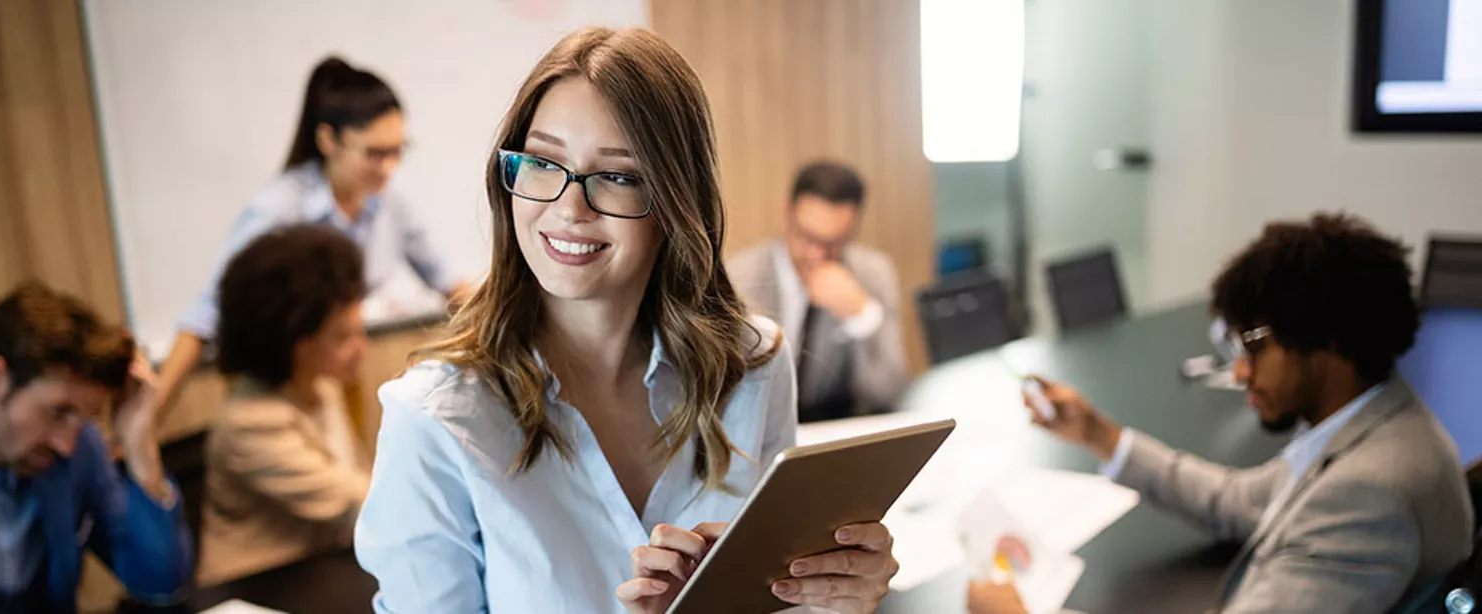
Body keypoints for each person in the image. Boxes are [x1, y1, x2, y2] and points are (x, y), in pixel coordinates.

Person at [354, 27, 899, 614]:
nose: (568, 208)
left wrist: (833, 598)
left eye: (617, 176)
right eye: (542, 161)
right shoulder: (436, 420)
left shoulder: (753, 366)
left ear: (674, 200)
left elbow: (772, 602)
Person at [966, 213, 1474, 614]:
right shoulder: (1379, 421)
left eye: (1253, 347)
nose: (1238, 373)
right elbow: (1238, 500)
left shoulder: (1366, 496)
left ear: (1328, 346)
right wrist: (1100, 435)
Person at [153, 56, 469, 416]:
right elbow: (205, 315)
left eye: (397, 151)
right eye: (375, 153)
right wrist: (149, 420)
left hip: (338, 373)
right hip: (276, 387)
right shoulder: (278, 210)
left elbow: (449, 282)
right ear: (327, 139)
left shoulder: (389, 202)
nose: (389, 167)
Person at [0, 281, 191, 613]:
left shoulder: (79, 449)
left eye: (85, 419)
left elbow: (159, 581)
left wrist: (139, 443)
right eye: (56, 412)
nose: (66, 444)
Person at [196, 224, 373, 585]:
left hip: (322, 575)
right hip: (258, 588)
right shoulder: (250, 424)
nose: (362, 347)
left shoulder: (322, 386)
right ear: (296, 344)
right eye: (342, 336)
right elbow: (355, 503)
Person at [727, 162, 907, 422]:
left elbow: (890, 393)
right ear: (786, 215)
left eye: (834, 243)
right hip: (758, 428)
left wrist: (862, 315)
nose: (818, 255)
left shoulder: (871, 273)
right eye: (807, 238)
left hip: (834, 428)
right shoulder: (740, 277)